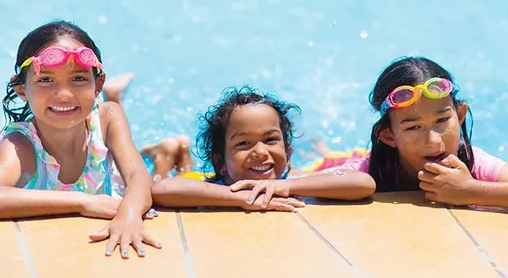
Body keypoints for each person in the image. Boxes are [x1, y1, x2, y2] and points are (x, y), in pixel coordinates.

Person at [0, 20, 160, 259]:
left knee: (152, 170)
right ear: (22, 91)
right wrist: (83, 202)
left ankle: (116, 96)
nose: (64, 94)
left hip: (97, 131)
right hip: (22, 157)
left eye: (78, 79)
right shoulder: (21, 145)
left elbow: (138, 177)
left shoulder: (108, 118)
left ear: (96, 84)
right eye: (46, 80)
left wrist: (130, 215)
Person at [311, 56, 508, 215]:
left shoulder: (474, 164)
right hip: (337, 165)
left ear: (461, 115)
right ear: (388, 136)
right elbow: (300, 184)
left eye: (443, 120)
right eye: (413, 127)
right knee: (319, 159)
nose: (433, 141)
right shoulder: (369, 169)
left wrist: (474, 190)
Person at [147, 86, 377, 210]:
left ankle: (175, 151)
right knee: (169, 173)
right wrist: (238, 197)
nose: (260, 151)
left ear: (288, 152)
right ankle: (165, 154)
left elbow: (363, 183)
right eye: (244, 143)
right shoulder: (217, 186)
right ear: (220, 163)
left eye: (270, 140)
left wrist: (283, 186)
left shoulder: (291, 180)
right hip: (198, 178)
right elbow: (161, 189)